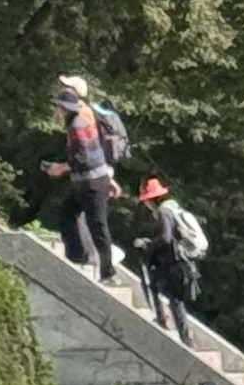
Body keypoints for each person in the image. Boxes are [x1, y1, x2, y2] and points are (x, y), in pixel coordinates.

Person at [39, 82, 121, 282]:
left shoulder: (77, 125)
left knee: (98, 226)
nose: (56, 111)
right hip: (86, 182)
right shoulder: (78, 120)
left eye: (57, 107)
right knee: (67, 214)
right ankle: (78, 256)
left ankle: (107, 271)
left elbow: (85, 158)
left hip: (91, 184)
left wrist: (61, 168)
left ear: (63, 108)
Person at [133, 176, 206, 342]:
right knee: (173, 297)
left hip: (175, 263)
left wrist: (146, 244)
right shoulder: (174, 209)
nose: (145, 205)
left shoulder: (164, 212)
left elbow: (165, 238)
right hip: (184, 262)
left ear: (151, 200)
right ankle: (181, 334)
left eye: (146, 201)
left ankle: (170, 327)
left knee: (158, 288)